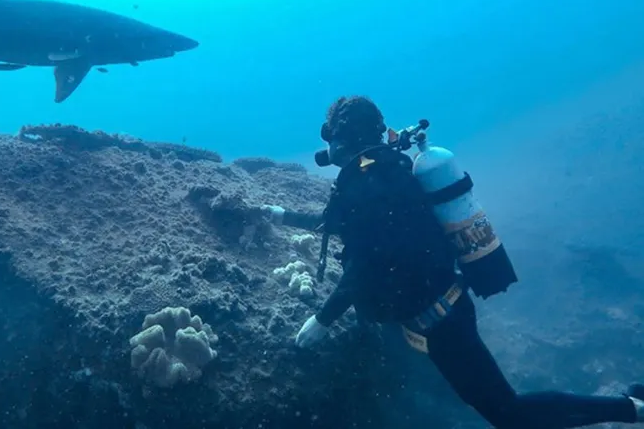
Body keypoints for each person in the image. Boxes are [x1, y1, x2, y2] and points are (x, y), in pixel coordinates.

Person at [262, 95, 644, 429]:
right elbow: (341, 225)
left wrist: (323, 321)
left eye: (330, 135)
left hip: (441, 320)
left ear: (341, 137)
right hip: (442, 307)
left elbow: (365, 262)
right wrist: (279, 215)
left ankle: (631, 409)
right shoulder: (382, 173)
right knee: (497, 405)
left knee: (509, 414)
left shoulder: (368, 182)